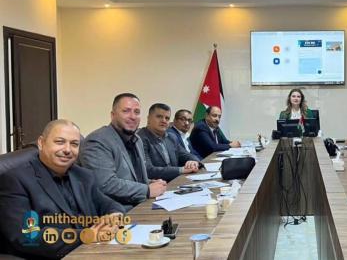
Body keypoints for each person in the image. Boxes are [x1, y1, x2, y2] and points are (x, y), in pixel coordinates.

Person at [0, 120, 126, 259]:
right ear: (41, 143)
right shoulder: (15, 180)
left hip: (95, 250)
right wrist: (87, 235)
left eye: (74, 144)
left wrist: (114, 215)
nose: (67, 150)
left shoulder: (83, 175)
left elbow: (107, 203)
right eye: (60, 142)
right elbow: (26, 235)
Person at [80, 93, 167, 209]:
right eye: (126, 111)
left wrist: (151, 183)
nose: (133, 116)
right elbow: (105, 184)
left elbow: (133, 178)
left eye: (137, 112)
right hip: (115, 213)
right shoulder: (97, 141)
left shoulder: (137, 140)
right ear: (113, 115)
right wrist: (146, 190)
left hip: (140, 205)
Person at [138, 103, 202, 182]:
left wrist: (194, 162)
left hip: (176, 181)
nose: (164, 121)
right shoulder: (140, 138)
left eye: (167, 118)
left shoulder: (171, 137)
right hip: (157, 185)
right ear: (148, 118)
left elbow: (186, 155)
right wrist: (181, 170)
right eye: (159, 116)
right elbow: (148, 170)